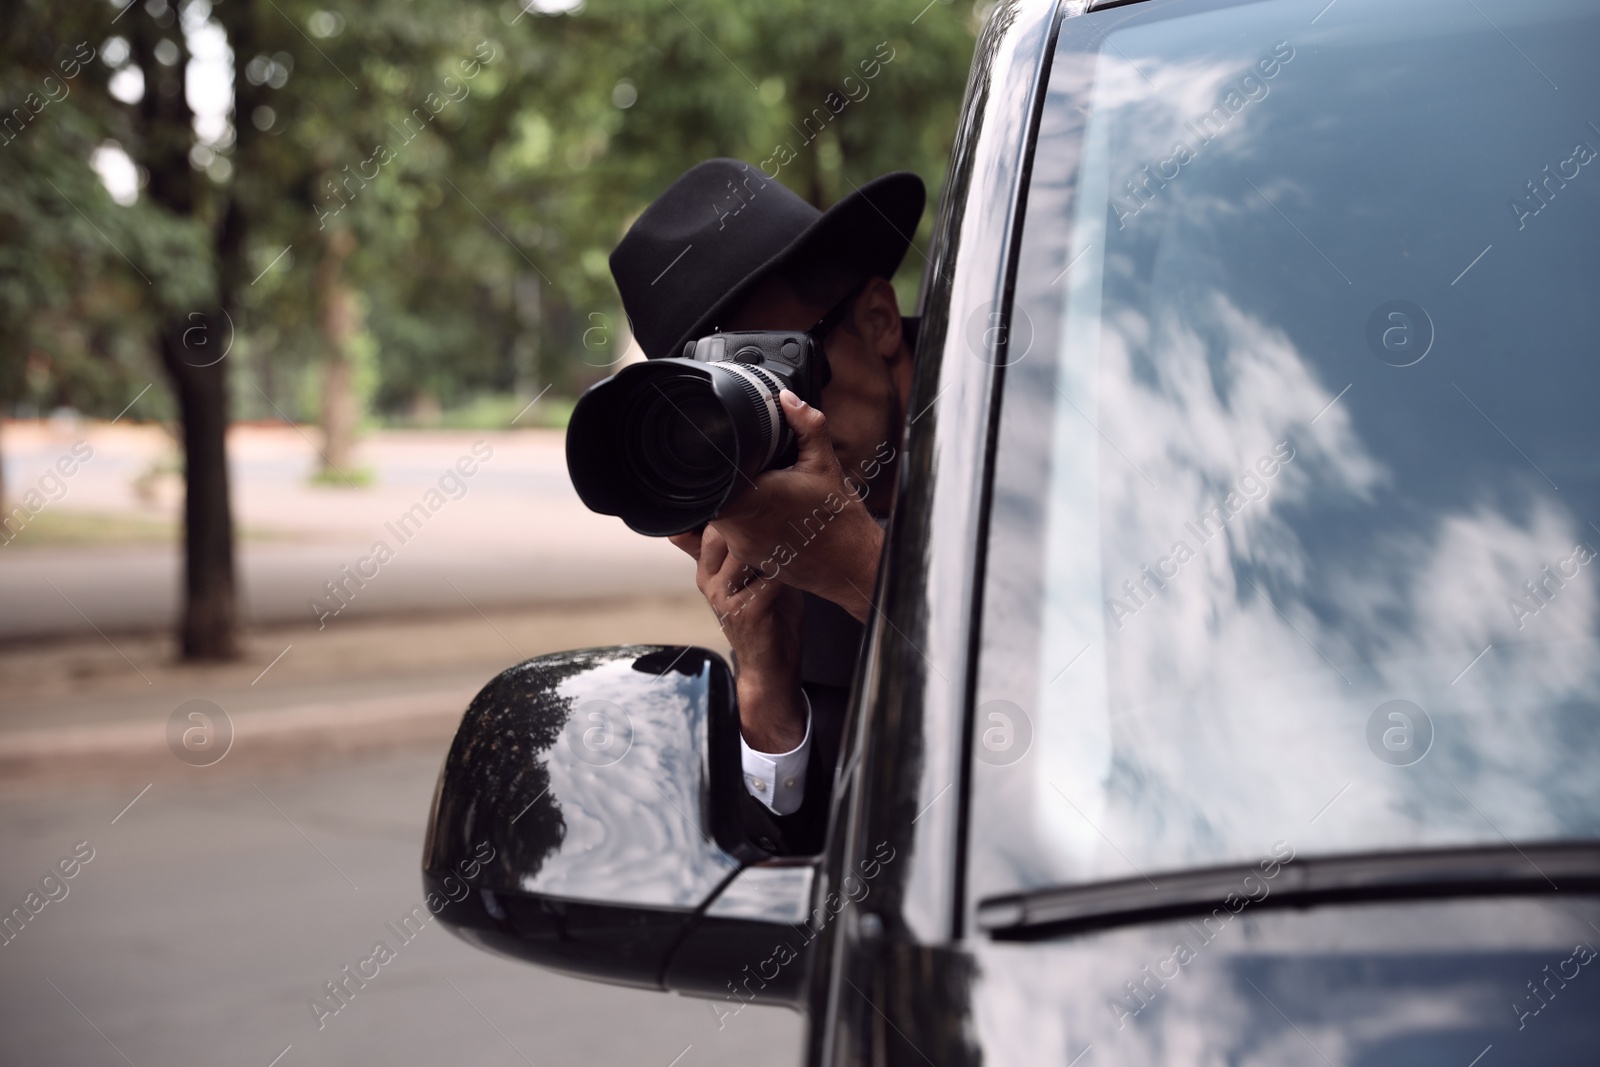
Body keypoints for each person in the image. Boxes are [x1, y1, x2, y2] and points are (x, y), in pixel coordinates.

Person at [607, 158, 925, 851]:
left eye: (781, 362)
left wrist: (869, 576)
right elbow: (810, 885)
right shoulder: (774, 536)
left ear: (876, 318)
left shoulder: (1042, 431)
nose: (780, 416)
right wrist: (768, 697)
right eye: (729, 388)